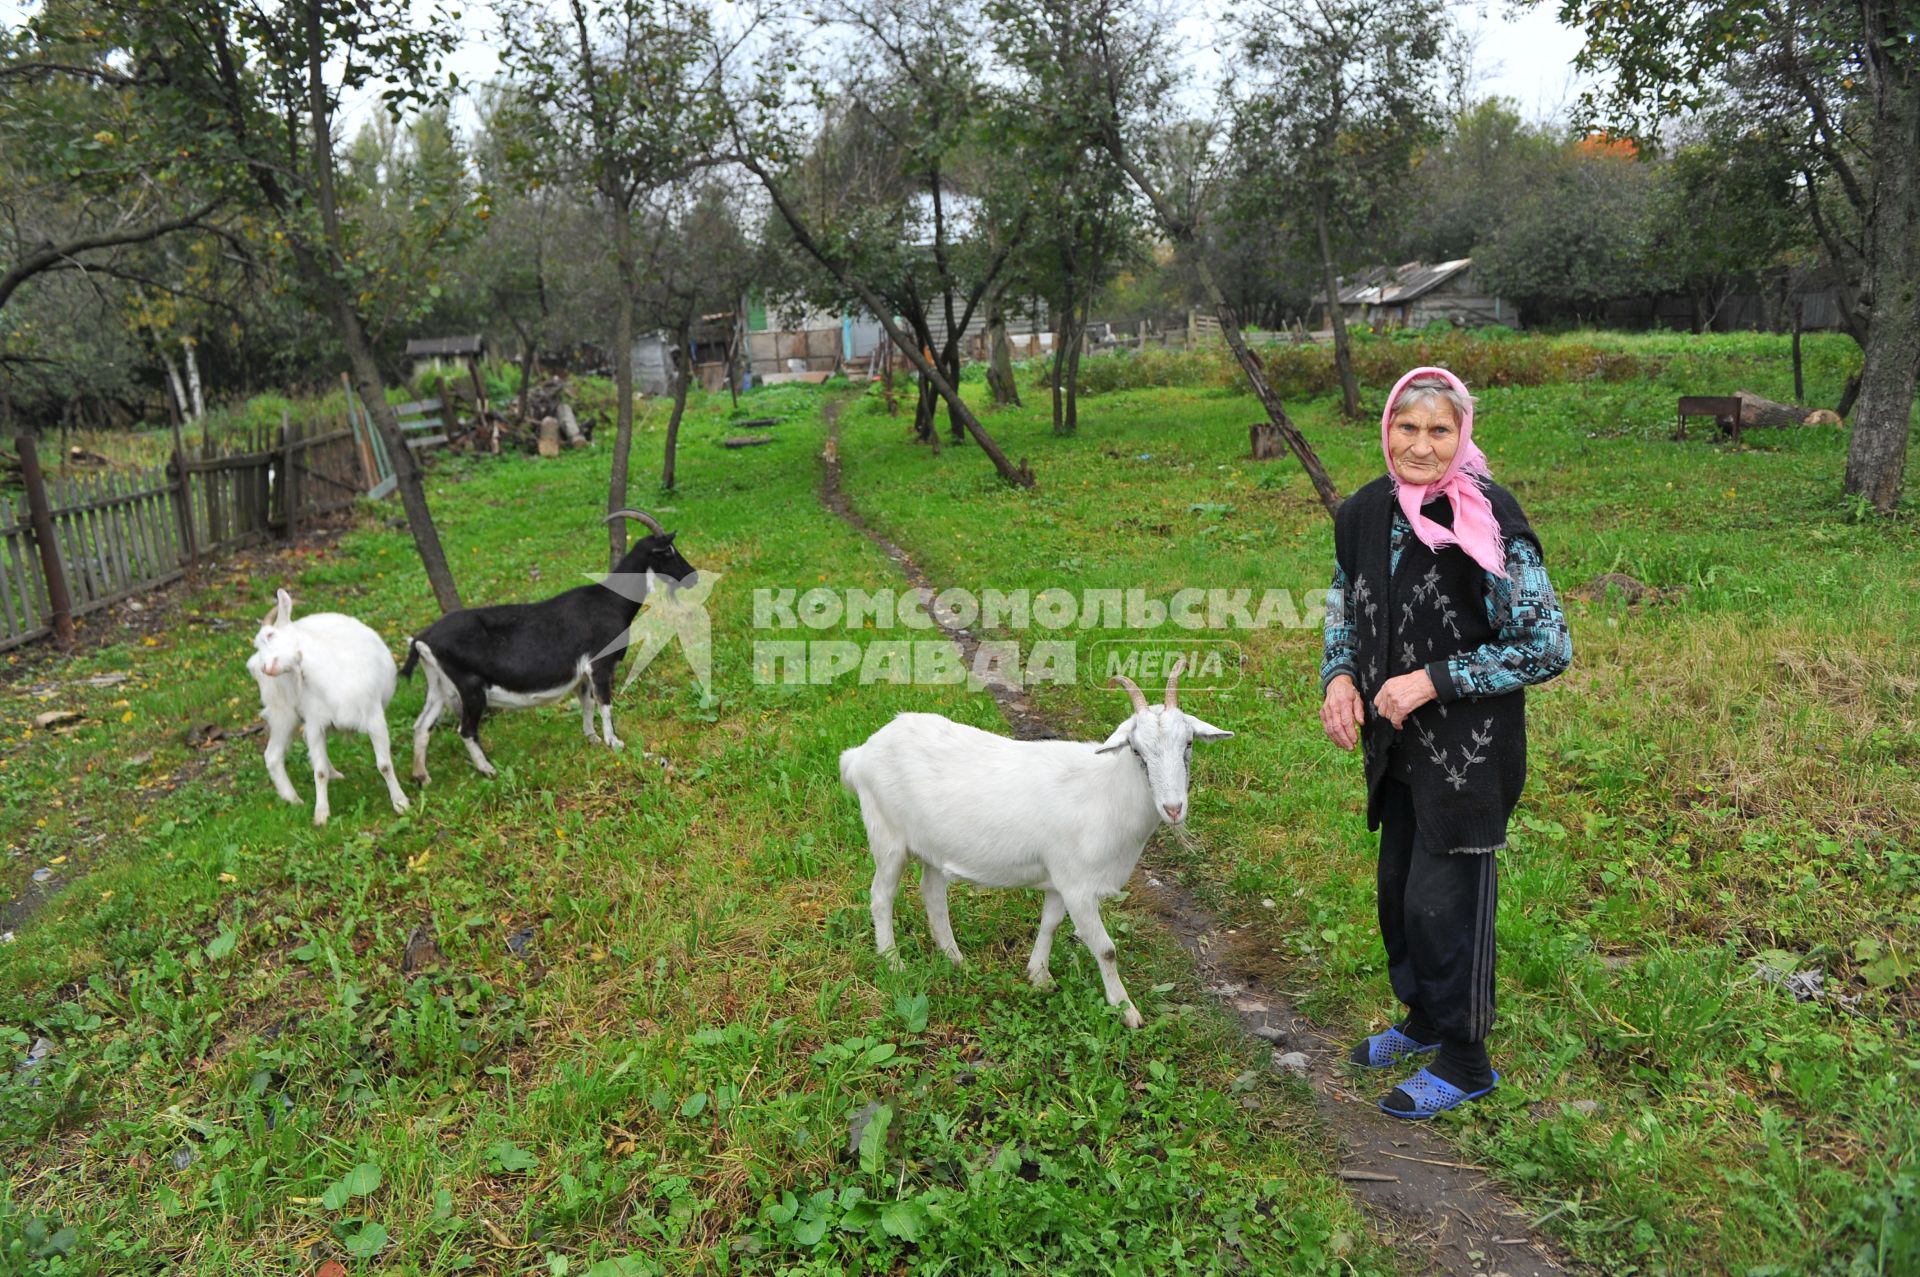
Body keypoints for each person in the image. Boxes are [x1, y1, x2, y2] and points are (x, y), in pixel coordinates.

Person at [1319, 366, 1571, 1119]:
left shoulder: (1484, 517)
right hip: (1396, 750)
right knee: (1399, 896)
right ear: (1386, 427)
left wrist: (1430, 679)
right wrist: (1339, 673)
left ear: (1462, 436)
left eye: (1439, 430)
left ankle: (1466, 1058)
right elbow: (1343, 595)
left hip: (1468, 755)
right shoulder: (1366, 511)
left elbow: (1547, 644)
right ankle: (1424, 1019)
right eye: (1407, 426)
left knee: (1445, 903)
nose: (1421, 445)